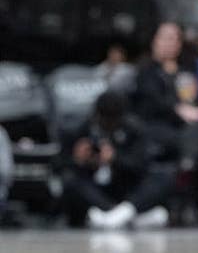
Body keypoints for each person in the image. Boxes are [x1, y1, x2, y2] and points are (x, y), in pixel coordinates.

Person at [60, 91, 174, 230]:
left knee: (163, 176)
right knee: (70, 180)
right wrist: (77, 160)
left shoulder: (134, 130)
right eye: (104, 120)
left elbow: (141, 166)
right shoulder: (79, 130)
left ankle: (119, 215)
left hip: (125, 190)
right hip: (96, 194)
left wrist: (115, 158)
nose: (108, 125)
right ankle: (123, 217)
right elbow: (58, 165)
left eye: (113, 121)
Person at [132, 22, 198, 173]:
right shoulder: (145, 69)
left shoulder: (187, 70)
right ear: (154, 41)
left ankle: (188, 165)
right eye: (165, 38)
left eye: (174, 39)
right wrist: (177, 109)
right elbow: (151, 99)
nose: (170, 43)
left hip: (187, 127)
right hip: (155, 124)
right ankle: (186, 169)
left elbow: (193, 99)